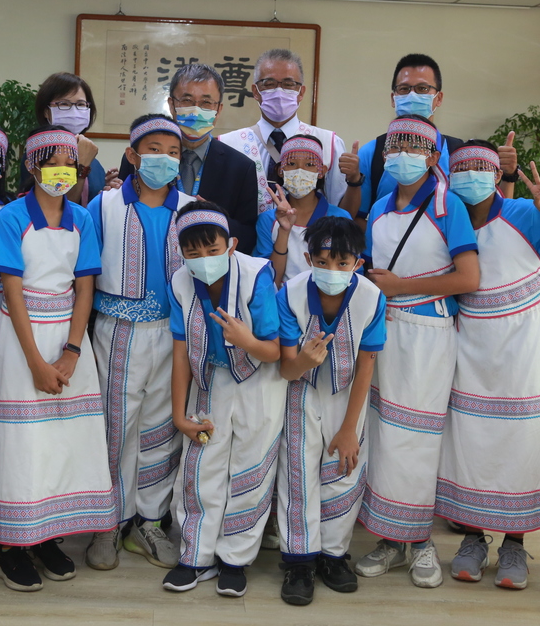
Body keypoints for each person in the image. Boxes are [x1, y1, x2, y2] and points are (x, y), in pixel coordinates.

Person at [437, 143, 540, 590]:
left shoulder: (525, 213)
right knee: (472, 438)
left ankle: (513, 540)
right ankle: (472, 537)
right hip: (470, 343)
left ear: (495, 172)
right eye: (462, 166)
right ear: (449, 174)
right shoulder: (445, 219)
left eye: (480, 166)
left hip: (527, 345)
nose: (471, 174)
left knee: (522, 437)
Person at [0, 126, 118, 592]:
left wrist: (73, 351)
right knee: (21, 445)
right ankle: (12, 545)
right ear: (32, 167)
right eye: (51, 162)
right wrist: (36, 360)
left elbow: (85, 286)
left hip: (69, 342)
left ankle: (46, 534)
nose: (62, 171)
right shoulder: (12, 218)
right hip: (20, 340)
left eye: (70, 163)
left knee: (63, 441)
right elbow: (10, 291)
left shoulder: (81, 218)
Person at [355, 115, 480, 589]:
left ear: (432, 157)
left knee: (421, 437)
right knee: (383, 434)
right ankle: (390, 538)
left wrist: (403, 287)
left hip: (429, 332)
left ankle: (422, 540)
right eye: (394, 148)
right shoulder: (381, 209)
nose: (402, 156)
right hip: (384, 332)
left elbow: (468, 278)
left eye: (414, 148)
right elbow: (372, 274)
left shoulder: (450, 206)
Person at [85, 114, 193, 572]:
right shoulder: (104, 205)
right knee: (116, 426)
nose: (164, 159)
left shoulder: (191, 208)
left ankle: (148, 520)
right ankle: (108, 523)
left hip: (173, 333)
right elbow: (85, 274)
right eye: (154, 149)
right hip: (118, 330)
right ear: (131, 155)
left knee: (160, 429)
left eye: (173, 152)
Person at [163, 202, 283, 598]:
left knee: (251, 469)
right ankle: (195, 556)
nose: (203, 260)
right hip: (210, 379)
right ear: (181, 253)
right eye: (193, 253)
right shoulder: (181, 282)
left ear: (230, 245)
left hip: (258, 382)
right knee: (201, 469)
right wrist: (180, 414)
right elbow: (181, 351)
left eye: (212, 250)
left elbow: (275, 350)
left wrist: (245, 340)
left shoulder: (255, 274)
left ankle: (234, 560)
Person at [274, 216, 386, 607]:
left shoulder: (371, 297)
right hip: (299, 393)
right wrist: (304, 361)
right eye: (322, 262)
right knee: (298, 475)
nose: (332, 270)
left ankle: (333, 555)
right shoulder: (290, 293)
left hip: (348, 398)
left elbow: (367, 365)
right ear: (307, 258)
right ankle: (299, 562)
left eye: (342, 263)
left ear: (358, 262)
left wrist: (349, 428)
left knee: (344, 470)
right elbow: (286, 369)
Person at [353, 53, 518, 223]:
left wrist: (509, 175)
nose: (412, 95)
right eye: (404, 89)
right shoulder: (372, 153)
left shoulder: (459, 153)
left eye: (422, 89)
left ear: (438, 98)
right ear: (393, 98)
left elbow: (492, 215)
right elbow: (357, 218)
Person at [118, 63, 259, 253]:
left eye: (206, 103)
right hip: (147, 261)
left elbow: (249, 238)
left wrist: (217, 217)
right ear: (172, 105)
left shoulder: (241, 168)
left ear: (218, 109)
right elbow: (121, 214)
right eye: (187, 100)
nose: (195, 110)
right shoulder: (141, 157)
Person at [219, 48, 355, 215]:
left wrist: (355, 180)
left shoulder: (329, 142)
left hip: (309, 238)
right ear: (255, 91)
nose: (279, 91)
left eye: (289, 84)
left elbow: (340, 209)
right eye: (269, 84)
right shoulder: (228, 144)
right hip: (247, 240)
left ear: (301, 92)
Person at [255, 134, 352, 285]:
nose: (300, 171)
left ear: (322, 171)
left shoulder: (340, 218)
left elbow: (349, 274)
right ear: (281, 170)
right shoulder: (268, 220)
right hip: (282, 304)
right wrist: (283, 232)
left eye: (309, 164)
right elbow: (268, 279)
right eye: (292, 163)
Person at [25, 72, 113, 204]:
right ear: (46, 111)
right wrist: (82, 167)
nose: (74, 111)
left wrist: (107, 187)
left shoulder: (93, 160)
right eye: (64, 104)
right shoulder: (38, 153)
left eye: (81, 104)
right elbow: (61, 205)